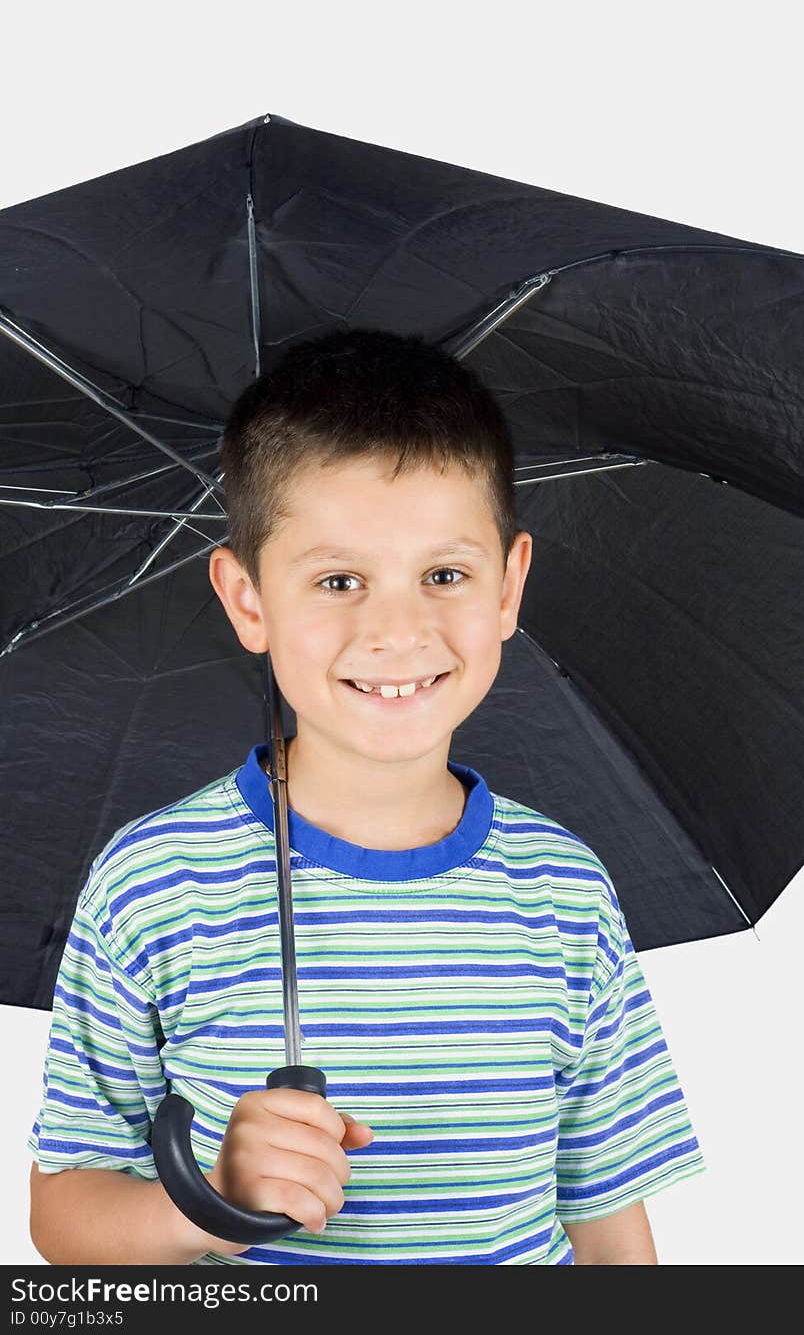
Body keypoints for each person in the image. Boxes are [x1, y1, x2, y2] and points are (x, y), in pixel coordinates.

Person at [28, 329, 706, 1265]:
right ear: (248, 599)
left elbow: (607, 1215)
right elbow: (65, 1215)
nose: (398, 630)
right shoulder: (155, 884)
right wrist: (212, 1202)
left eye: (444, 575)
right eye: (339, 579)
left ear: (508, 585)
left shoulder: (564, 888)